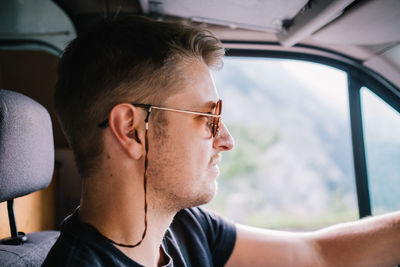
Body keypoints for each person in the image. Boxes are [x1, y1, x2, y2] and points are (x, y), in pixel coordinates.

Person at [43, 16, 400, 267]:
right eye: (210, 119)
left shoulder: (187, 228)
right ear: (133, 129)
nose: (227, 141)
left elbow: (320, 255)